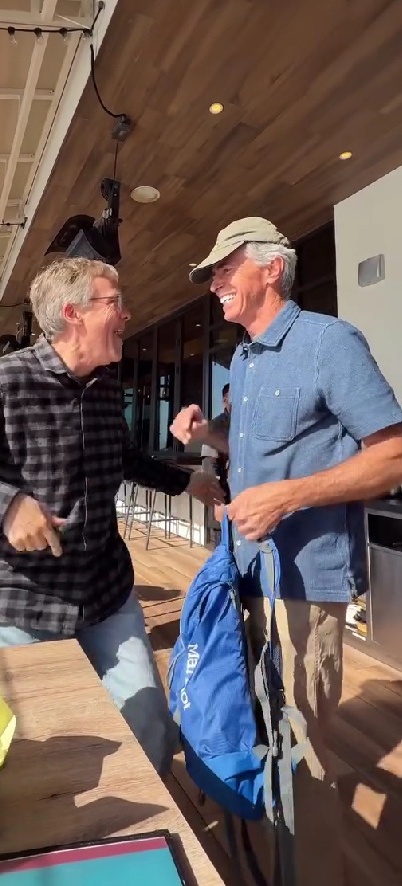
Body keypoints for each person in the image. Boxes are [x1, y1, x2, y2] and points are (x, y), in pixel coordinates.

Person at [0, 258, 224, 776]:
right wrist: (5, 507)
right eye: (115, 303)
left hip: (107, 594)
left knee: (150, 731)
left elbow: (127, 459)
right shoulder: (2, 382)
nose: (127, 314)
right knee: (32, 763)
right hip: (25, 607)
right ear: (74, 313)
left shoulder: (106, 386)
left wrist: (189, 483)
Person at [170, 216, 402, 886]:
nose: (214, 283)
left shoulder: (329, 342)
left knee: (302, 759)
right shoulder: (244, 360)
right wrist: (209, 437)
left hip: (302, 588)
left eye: (225, 268)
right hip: (242, 578)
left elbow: (391, 456)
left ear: (271, 268)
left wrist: (288, 497)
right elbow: (262, 451)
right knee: (250, 733)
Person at [201, 382, 230, 500]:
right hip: (228, 492)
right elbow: (209, 462)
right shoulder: (215, 426)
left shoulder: (250, 424)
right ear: (225, 400)